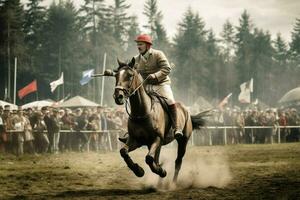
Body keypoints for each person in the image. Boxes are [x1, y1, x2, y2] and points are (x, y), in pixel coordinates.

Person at [119, 34, 183, 143]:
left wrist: (155, 75)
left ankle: (177, 128)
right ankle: (131, 134)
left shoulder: (158, 54)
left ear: (148, 46)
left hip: (162, 84)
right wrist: (112, 72)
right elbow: (128, 71)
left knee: (170, 101)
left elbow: (167, 69)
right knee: (137, 103)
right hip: (146, 86)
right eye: (137, 44)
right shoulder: (136, 59)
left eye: (141, 44)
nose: (138, 47)